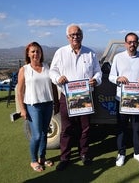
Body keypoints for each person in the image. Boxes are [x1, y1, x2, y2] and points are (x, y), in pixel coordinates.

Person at [49, 24, 102, 171]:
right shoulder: (60, 53)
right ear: (67, 37)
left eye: (78, 34)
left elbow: (98, 72)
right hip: (67, 97)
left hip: (85, 97)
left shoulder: (90, 53)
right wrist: (58, 78)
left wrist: (96, 80)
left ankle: (84, 154)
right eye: (72, 35)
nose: (75, 37)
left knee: (85, 128)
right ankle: (65, 158)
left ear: (82, 36)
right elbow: (52, 71)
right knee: (66, 129)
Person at [109, 32, 139, 166]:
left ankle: (138, 152)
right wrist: (118, 78)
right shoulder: (118, 57)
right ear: (125, 44)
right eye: (129, 42)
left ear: (138, 44)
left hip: (138, 100)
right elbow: (111, 76)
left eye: (134, 42)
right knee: (121, 127)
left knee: (137, 128)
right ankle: (121, 153)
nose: (132, 44)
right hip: (121, 99)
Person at [17, 42, 54, 172]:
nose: (35, 54)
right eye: (32, 51)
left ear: (41, 53)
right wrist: (22, 109)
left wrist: (55, 102)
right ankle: (33, 161)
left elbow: (53, 86)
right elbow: (19, 91)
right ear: (28, 54)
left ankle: (42, 158)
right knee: (37, 135)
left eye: (38, 51)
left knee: (44, 134)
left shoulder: (46, 66)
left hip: (48, 104)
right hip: (33, 106)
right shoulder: (24, 69)